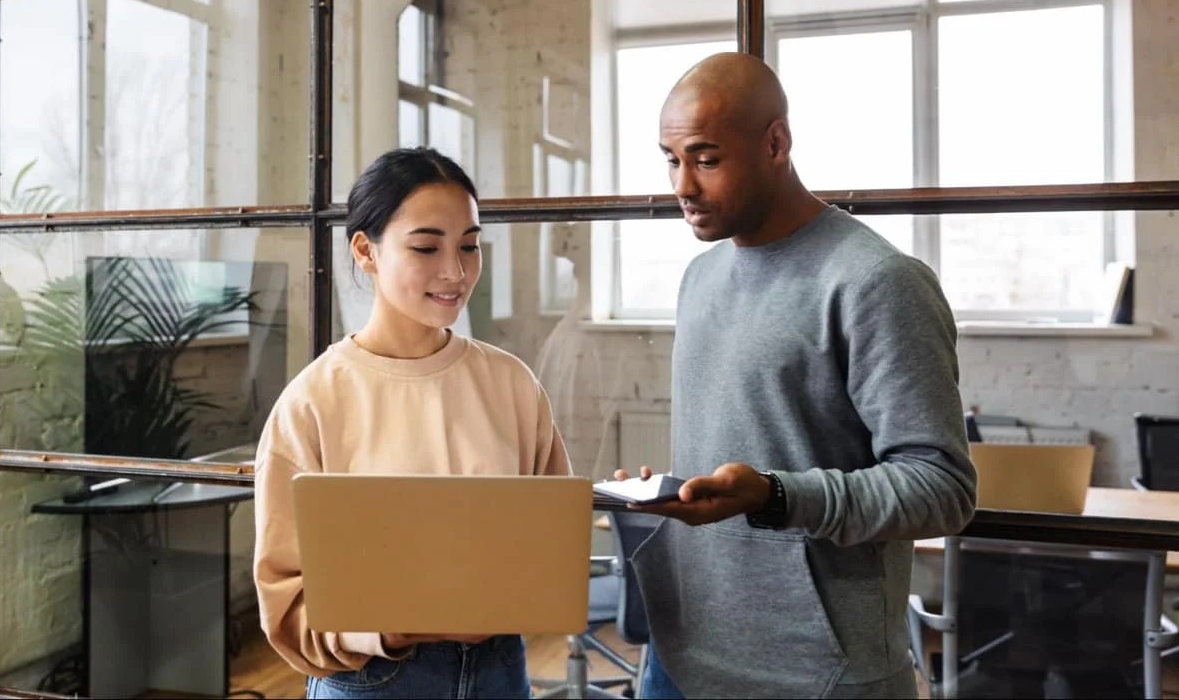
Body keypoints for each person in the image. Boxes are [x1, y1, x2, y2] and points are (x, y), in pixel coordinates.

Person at [615, 53, 978, 699]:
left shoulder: (875, 281)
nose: (683, 185)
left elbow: (941, 487)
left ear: (776, 143)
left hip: (817, 674)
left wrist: (776, 497)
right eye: (671, 160)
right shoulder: (700, 277)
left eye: (706, 157)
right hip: (678, 659)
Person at [253, 147, 572, 700]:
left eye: (470, 246)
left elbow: (551, 548)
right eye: (426, 247)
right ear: (365, 250)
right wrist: (391, 626)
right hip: (372, 677)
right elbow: (285, 603)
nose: (455, 271)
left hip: (500, 670)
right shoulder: (312, 403)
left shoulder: (512, 384)